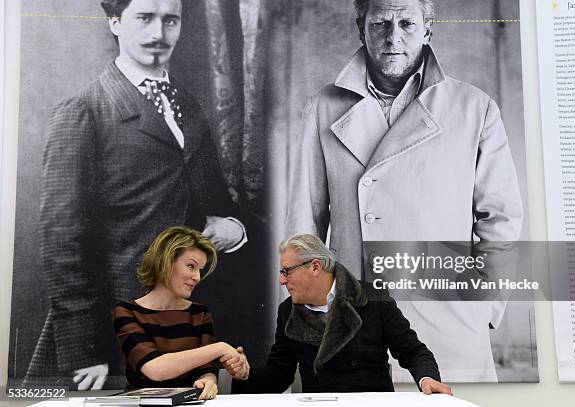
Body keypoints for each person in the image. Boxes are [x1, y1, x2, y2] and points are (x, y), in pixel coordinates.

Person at [285, 0, 523, 382]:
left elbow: (501, 222)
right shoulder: (322, 108)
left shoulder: (475, 108)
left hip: (449, 324)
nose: (393, 36)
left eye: (407, 23)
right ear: (360, 27)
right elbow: (303, 226)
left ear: (428, 29)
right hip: (353, 325)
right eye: (380, 23)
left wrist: (482, 309)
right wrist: (316, 312)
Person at [25, 0, 247, 390]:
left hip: (185, 321)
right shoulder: (84, 112)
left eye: (170, 20)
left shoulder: (189, 108)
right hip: (114, 327)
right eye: (144, 18)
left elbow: (216, 204)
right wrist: (85, 354)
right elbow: (61, 246)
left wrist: (234, 227)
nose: (158, 34)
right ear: (115, 23)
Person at [232, 234, 451, 395]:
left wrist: (427, 379)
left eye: (287, 271)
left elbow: (413, 351)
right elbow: (279, 374)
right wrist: (246, 374)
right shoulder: (287, 310)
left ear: (315, 267)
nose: (282, 280)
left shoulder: (373, 298)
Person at [113, 226, 249, 400]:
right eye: (191, 266)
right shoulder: (127, 312)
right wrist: (220, 348)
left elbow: (206, 369)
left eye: (200, 269)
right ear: (166, 261)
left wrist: (208, 382)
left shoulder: (199, 313)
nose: (198, 277)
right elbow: (155, 369)